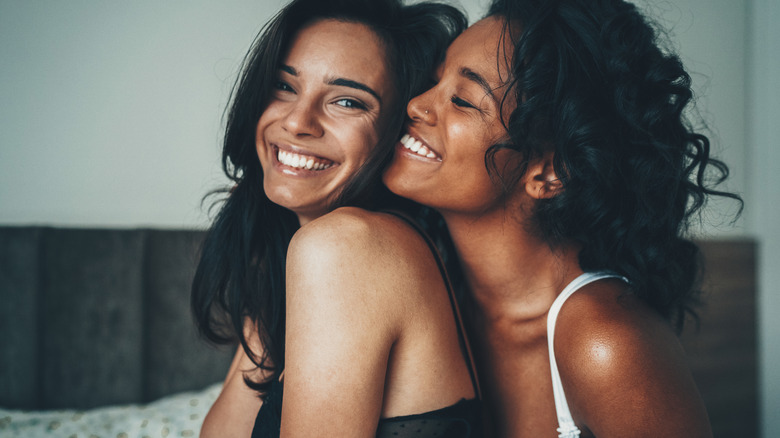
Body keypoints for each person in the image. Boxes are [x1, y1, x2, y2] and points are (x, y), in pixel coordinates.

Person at [383, 0, 742, 436]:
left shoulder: (607, 343)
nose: (417, 104)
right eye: (434, 79)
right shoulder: (425, 291)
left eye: (462, 99)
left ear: (549, 172)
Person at [191, 0, 482, 436]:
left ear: (395, 133)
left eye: (346, 101)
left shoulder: (347, 248)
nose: (297, 122)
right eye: (283, 86)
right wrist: (266, 262)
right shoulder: (312, 248)